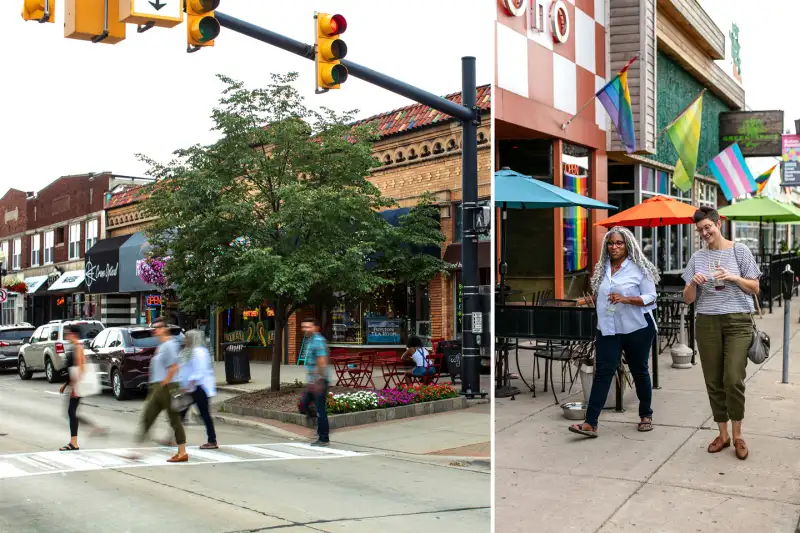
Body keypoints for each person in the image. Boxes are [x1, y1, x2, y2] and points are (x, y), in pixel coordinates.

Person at [683, 206, 761, 460]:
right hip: (707, 322)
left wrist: (734, 277)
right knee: (713, 380)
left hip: (738, 321)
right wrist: (693, 282)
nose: (705, 232)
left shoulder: (740, 251)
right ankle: (723, 433)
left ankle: (738, 435)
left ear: (718, 223)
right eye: (700, 230)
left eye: (708, 227)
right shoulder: (697, 258)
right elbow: (687, 299)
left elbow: (755, 288)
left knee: (732, 378)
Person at [569, 226, 659, 438]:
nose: (614, 247)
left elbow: (651, 297)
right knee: (602, 373)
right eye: (611, 243)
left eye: (619, 243)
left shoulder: (639, 269)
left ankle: (645, 415)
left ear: (627, 245)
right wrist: (581, 301)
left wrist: (627, 299)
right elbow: (600, 296)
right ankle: (590, 423)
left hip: (637, 327)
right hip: (609, 329)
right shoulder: (603, 268)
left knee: (639, 371)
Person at [132, 320, 189, 462]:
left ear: (164, 329)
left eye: (157, 328)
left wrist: (166, 382)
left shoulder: (169, 345)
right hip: (157, 387)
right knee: (147, 417)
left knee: (174, 419)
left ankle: (182, 452)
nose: (154, 331)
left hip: (166, 387)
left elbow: (174, 366)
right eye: (154, 328)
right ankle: (137, 450)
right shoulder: (162, 346)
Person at [59, 325, 105, 451]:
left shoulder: (78, 348)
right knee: (71, 412)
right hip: (74, 384)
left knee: (71, 412)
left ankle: (75, 442)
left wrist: (75, 386)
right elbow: (72, 369)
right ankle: (89, 431)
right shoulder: (75, 347)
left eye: (68, 333)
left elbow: (81, 367)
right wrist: (66, 384)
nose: (66, 336)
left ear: (74, 334)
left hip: (77, 385)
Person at [175, 329, 218, 449]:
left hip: (200, 388)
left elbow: (199, 371)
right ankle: (176, 438)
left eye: (187, 337)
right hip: (193, 388)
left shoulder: (198, 352)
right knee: (181, 413)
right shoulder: (192, 351)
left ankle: (212, 440)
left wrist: (188, 385)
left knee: (204, 414)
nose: (185, 340)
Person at [300, 318, 330, 447]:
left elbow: (322, 361)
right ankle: (319, 426)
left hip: (319, 381)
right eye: (304, 327)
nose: (306, 329)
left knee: (320, 410)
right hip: (313, 382)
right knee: (304, 405)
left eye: (309, 327)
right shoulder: (310, 340)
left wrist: (319, 380)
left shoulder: (318, 340)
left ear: (315, 328)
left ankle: (324, 437)